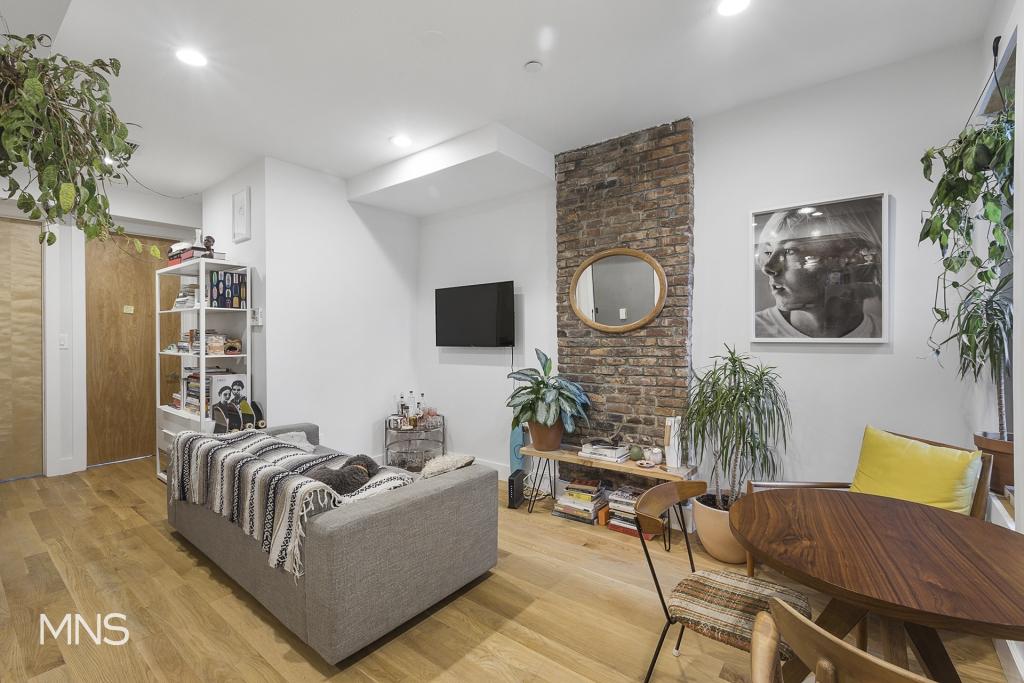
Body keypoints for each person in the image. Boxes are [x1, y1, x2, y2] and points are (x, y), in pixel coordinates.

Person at [754, 205, 882, 339]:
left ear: (851, 259)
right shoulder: (754, 330)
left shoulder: (882, 332)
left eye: (790, 251)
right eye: (768, 252)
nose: (768, 268)